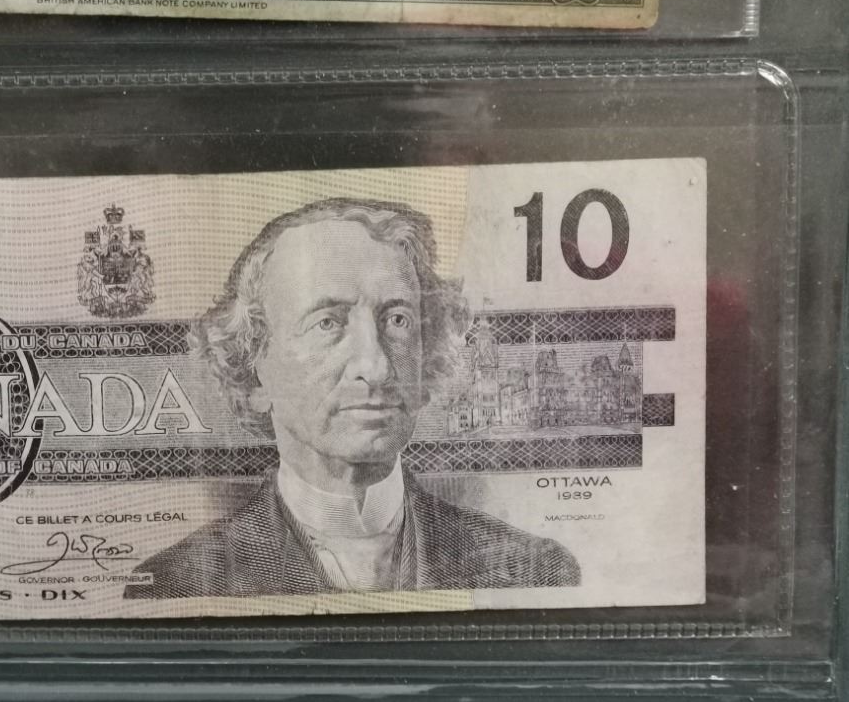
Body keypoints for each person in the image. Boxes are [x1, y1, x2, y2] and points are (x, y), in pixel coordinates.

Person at [130, 199, 581, 598]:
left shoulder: (535, 570)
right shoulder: (177, 583)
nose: (376, 366)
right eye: (327, 323)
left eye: (398, 320)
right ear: (254, 369)